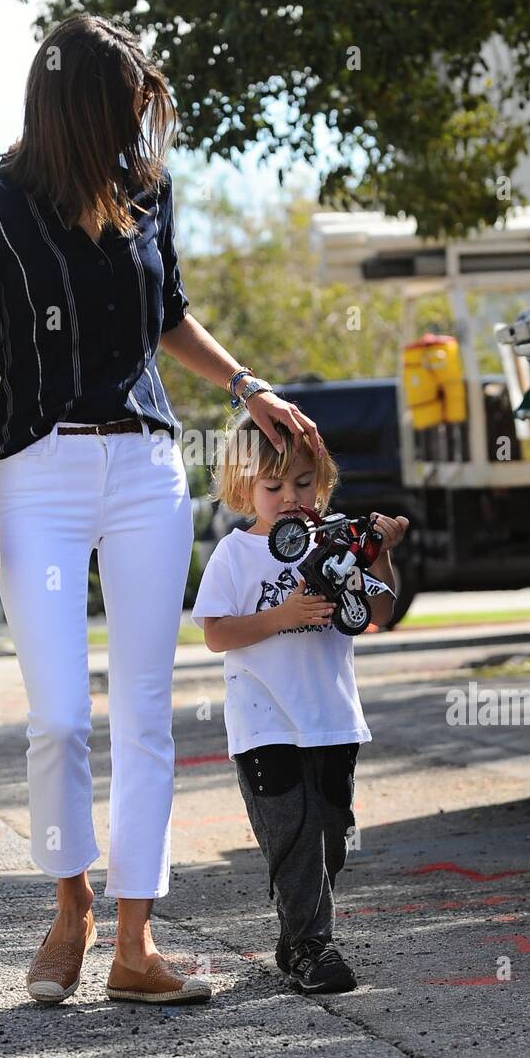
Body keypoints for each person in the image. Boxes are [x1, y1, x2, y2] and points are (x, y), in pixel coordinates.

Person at [0, 12, 325, 1006]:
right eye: (124, 105)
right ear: (75, 105)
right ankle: (68, 901)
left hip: (148, 470)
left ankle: (133, 944)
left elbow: (167, 314)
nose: (138, 124)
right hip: (38, 477)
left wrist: (246, 385)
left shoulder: (146, 193)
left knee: (146, 718)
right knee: (60, 716)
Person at [191, 413, 409, 994]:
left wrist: (380, 552)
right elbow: (216, 633)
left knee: (332, 834)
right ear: (243, 489)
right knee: (294, 838)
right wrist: (280, 617)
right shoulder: (235, 555)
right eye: (273, 487)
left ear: (324, 483)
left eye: (304, 483)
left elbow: (380, 614)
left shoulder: (336, 542)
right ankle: (315, 946)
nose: (291, 498)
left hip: (332, 719)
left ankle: (297, 936)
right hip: (264, 726)